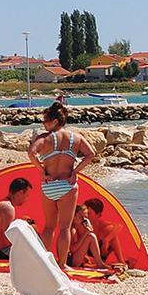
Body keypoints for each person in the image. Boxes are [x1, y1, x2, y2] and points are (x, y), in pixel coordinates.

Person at [28, 101, 95, 267]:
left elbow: (31, 153)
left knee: (49, 227)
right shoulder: (76, 138)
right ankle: (62, 264)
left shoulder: (44, 138)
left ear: (55, 121)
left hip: (49, 185)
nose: (43, 124)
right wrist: (76, 171)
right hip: (67, 185)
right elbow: (91, 154)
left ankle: (44, 263)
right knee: (65, 228)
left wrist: (42, 170)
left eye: (46, 121)